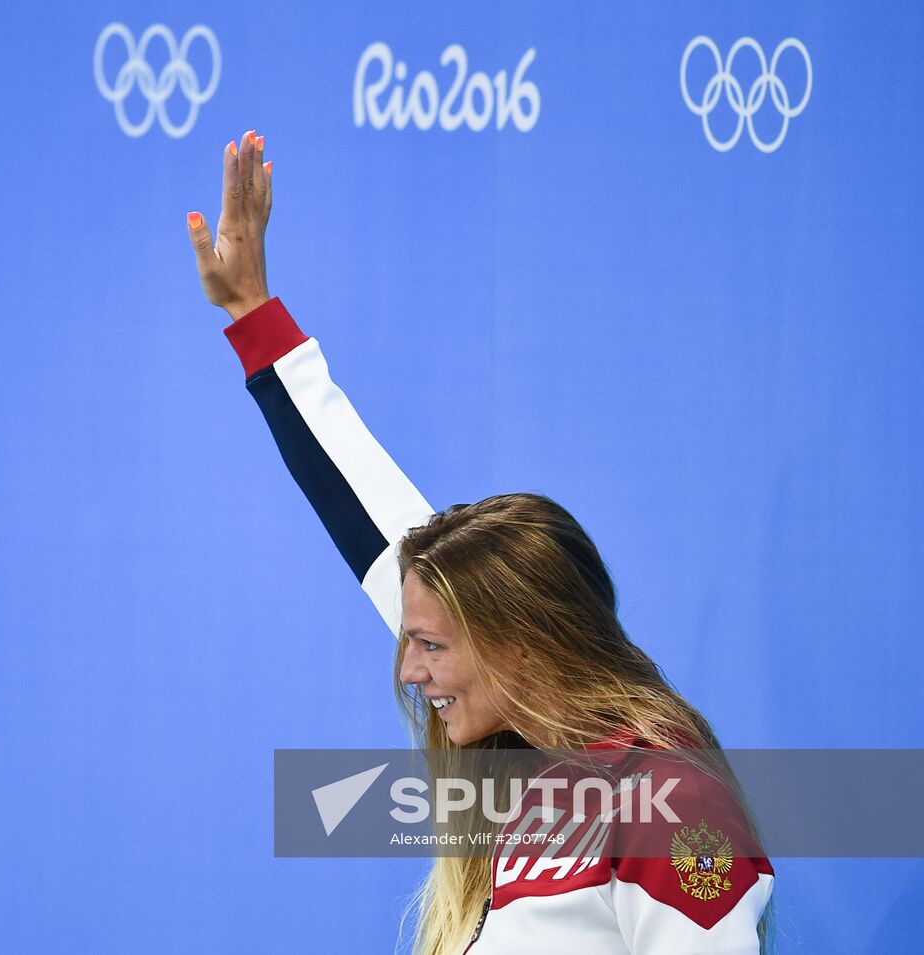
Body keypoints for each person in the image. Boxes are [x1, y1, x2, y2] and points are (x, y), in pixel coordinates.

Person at [184, 130, 774, 954]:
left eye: (427, 643)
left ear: (524, 644)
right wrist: (254, 318)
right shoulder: (523, 766)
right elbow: (365, 509)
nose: (408, 667)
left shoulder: (667, 800)